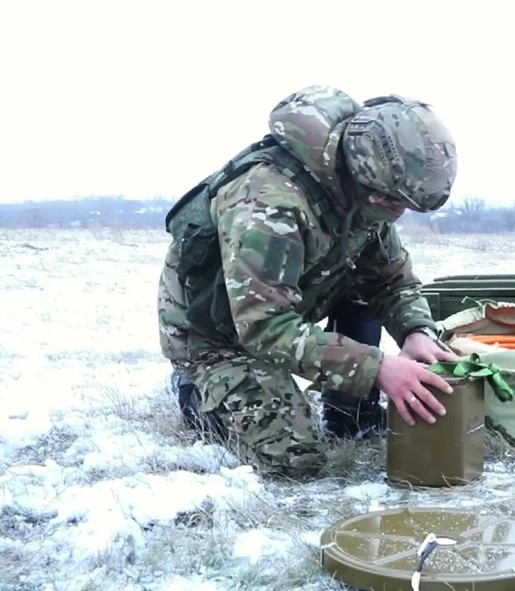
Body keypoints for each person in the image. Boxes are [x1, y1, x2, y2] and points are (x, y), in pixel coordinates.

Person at [157, 85, 460, 478]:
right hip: (217, 335)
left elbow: (390, 279)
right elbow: (265, 327)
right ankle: (194, 389)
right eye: (392, 201)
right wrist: (376, 368)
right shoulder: (268, 201)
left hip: (287, 306)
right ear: (363, 173)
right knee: (296, 457)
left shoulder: (364, 195)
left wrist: (417, 330)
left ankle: (349, 412)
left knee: (363, 287)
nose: (398, 212)